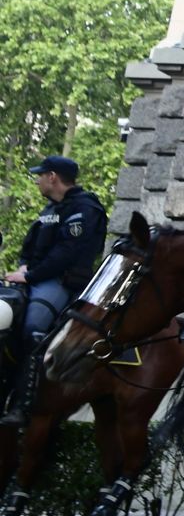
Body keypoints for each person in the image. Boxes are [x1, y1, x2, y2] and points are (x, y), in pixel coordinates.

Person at [2, 156, 108, 425]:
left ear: (53, 177)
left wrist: (30, 275)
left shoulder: (85, 209)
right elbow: (30, 246)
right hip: (34, 278)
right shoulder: (50, 209)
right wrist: (23, 268)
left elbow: (66, 254)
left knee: (32, 330)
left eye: (40, 175)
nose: (36, 180)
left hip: (60, 282)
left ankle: (21, 405)